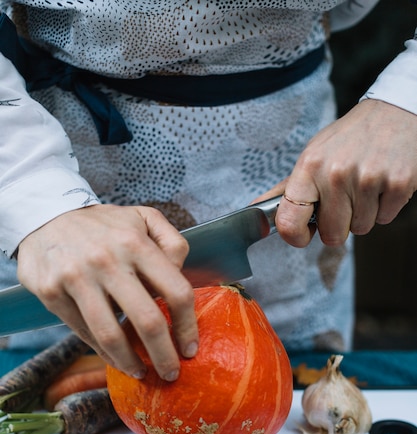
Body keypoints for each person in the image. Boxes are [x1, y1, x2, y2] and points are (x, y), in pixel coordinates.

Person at [0, 1, 416, 382]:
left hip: (294, 165)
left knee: (295, 399)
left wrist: (405, 100)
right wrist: (32, 192)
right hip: (43, 166)